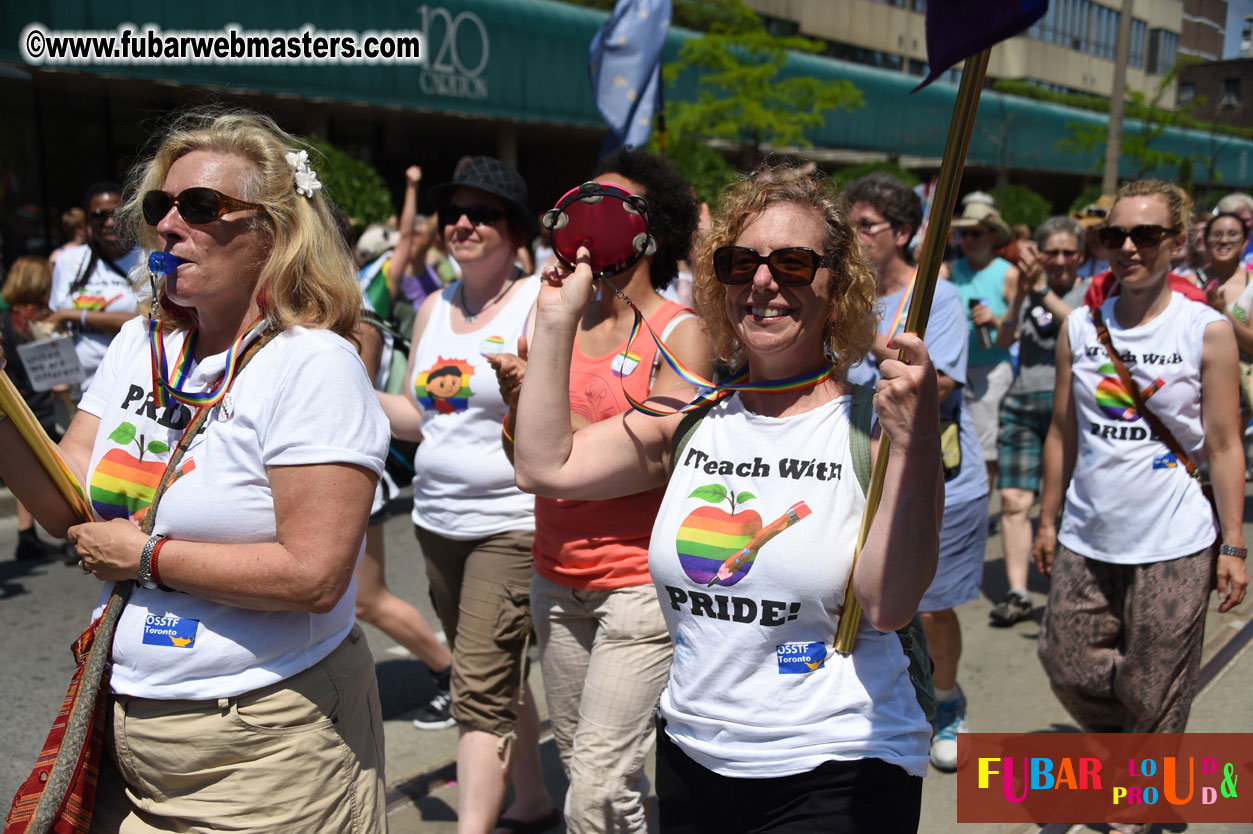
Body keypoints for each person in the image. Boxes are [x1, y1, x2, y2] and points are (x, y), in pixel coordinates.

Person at [512, 165, 941, 833]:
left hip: (841, 759)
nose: (764, 281)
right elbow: (545, 463)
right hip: (694, 755)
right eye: (741, 263)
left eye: (793, 263)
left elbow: (888, 604)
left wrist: (914, 447)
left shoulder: (876, 428)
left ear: (838, 285)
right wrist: (555, 318)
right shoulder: (690, 418)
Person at [0, 108, 391, 832]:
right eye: (159, 206)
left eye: (202, 207)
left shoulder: (312, 364)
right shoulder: (139, 344)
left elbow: (315, 575)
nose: (168, 225)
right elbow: (65, 507)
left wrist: (147, 558)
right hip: (127, 727)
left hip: (266, 744)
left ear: (271, 232)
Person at [490, 148, 710, 833]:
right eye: (579, 199)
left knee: (595, 795)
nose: (587, 216)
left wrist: (548, 418)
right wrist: (520, 412)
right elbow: (523, 458)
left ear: (652, 229)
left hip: (637, 590)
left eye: (609, 204)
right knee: (595, 775)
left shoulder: (684, 334)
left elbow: (652, 459)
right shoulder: (553, 318)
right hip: (556, 581)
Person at [1033, 182, 1247, 834]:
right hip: (1087, 531)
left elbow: (1222, 443)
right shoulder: (1079, 325)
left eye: (1146, 235)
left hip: (1177, 536)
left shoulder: (1205, 331)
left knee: (1156, 685)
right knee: (1066, 665)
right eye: (1115, 235)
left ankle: (1136, 806)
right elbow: (1062, 431)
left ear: (1175, 243)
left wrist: (1233, 546)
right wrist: (1045, 520)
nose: (1127, 247)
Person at [375, 155, 556, 834]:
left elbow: (555, 417)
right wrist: (352, 391)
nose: (461, 224)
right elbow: (425, 420)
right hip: (437, 521)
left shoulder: (538, 302)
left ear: (513, 231)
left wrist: (524, 388)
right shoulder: (432, 308)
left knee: (475, 689)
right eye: (453, 212)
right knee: (494, 674)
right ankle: (532, 798)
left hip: (509, 523)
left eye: (482, 214)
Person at [844, 172, 986, 772]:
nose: (853, 238)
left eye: (866, 226)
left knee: (928, 605)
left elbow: (945, 384)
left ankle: (947, 703)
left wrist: (867, 340)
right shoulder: (840, 290)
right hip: (855, 469)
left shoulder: (938, 298)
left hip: (935, 478)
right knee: (873, 599)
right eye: (845, 226)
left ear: (902, 233)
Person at [987, 217, 1088, 627]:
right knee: (1013, 501)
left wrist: (1042, 289)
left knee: (1064, 503)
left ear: (1080, 255)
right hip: (1023, 402)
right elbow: (1005, 339)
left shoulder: (1091, 292)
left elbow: (1082, 329)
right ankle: (1018, 592)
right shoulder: (1029, 290)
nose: (1060, 259)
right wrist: (1020, 297)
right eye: (1052, 252)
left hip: (1072, 408)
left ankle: (1068, 591)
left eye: (1068, 252)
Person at [943, 201, 1019, 492]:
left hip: (991, 369)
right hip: (954, 370)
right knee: (953, 441)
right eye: (964, 234)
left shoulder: (1007, 274)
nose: (969, 240)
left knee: (985, 448)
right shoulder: (951, 268)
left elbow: (1017, 331)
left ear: (992, 236)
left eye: (976, 233)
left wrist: (995, 321)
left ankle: (981, 510)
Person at [45, 182, 143, 391]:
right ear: (88, 220)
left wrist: (74, 315)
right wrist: (55, 375)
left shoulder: (148, 260)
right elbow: (54, 321)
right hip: (73, 389)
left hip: (128, 387)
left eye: (117, 213)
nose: (109, 221)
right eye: (99, 215)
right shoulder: (69, 261)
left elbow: (149, 322)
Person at [1, 256, 63, 560]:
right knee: (49, 467)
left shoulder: (5, 320)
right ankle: (67, 534)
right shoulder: (40, 320)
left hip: (13, 399)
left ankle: (26, 534)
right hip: (40, 403)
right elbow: (60, 374)